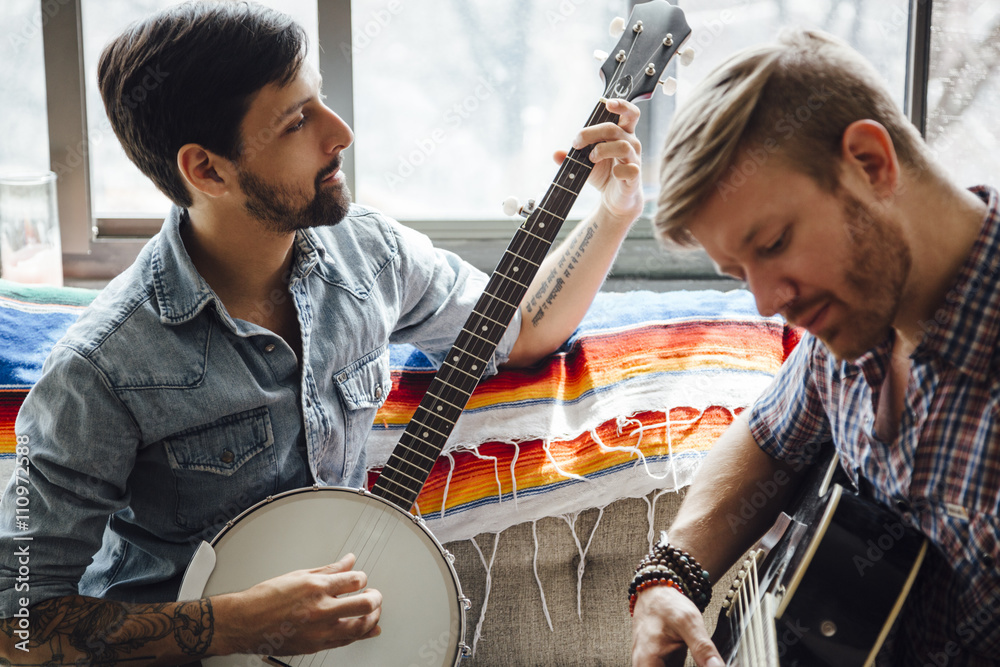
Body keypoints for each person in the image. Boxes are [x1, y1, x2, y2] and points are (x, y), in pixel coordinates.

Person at [0, 2, 645, 663]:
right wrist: (231, 624)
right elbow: (13, 627)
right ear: (207, 170)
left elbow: (521, 326)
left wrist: (614, 213)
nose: (341, 133)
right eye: (295, 122)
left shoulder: (368, 253)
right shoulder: (101, 366)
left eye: (321, 101)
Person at [630, 28, 1000, 667]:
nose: (767, 302)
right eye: (739, 272)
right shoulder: (853, 315)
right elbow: (767, 440)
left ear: (870, 163)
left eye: (772, 244)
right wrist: (670, 573)